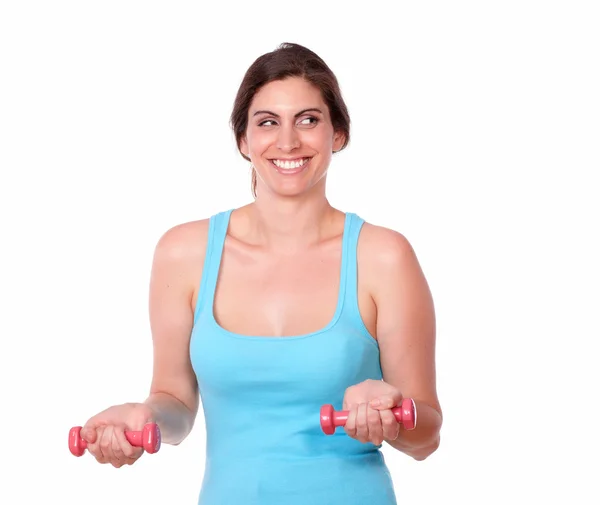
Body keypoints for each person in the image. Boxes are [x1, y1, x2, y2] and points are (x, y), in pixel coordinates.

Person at [79, 42, 443, 504]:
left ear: (339, 134)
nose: (288, 142)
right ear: (243, 142)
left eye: (308, 120)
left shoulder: (384, 256)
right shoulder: (183, 252)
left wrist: (396, 412)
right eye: (267, 122)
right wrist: (144, 417)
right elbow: (176, 404)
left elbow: (426, 437)